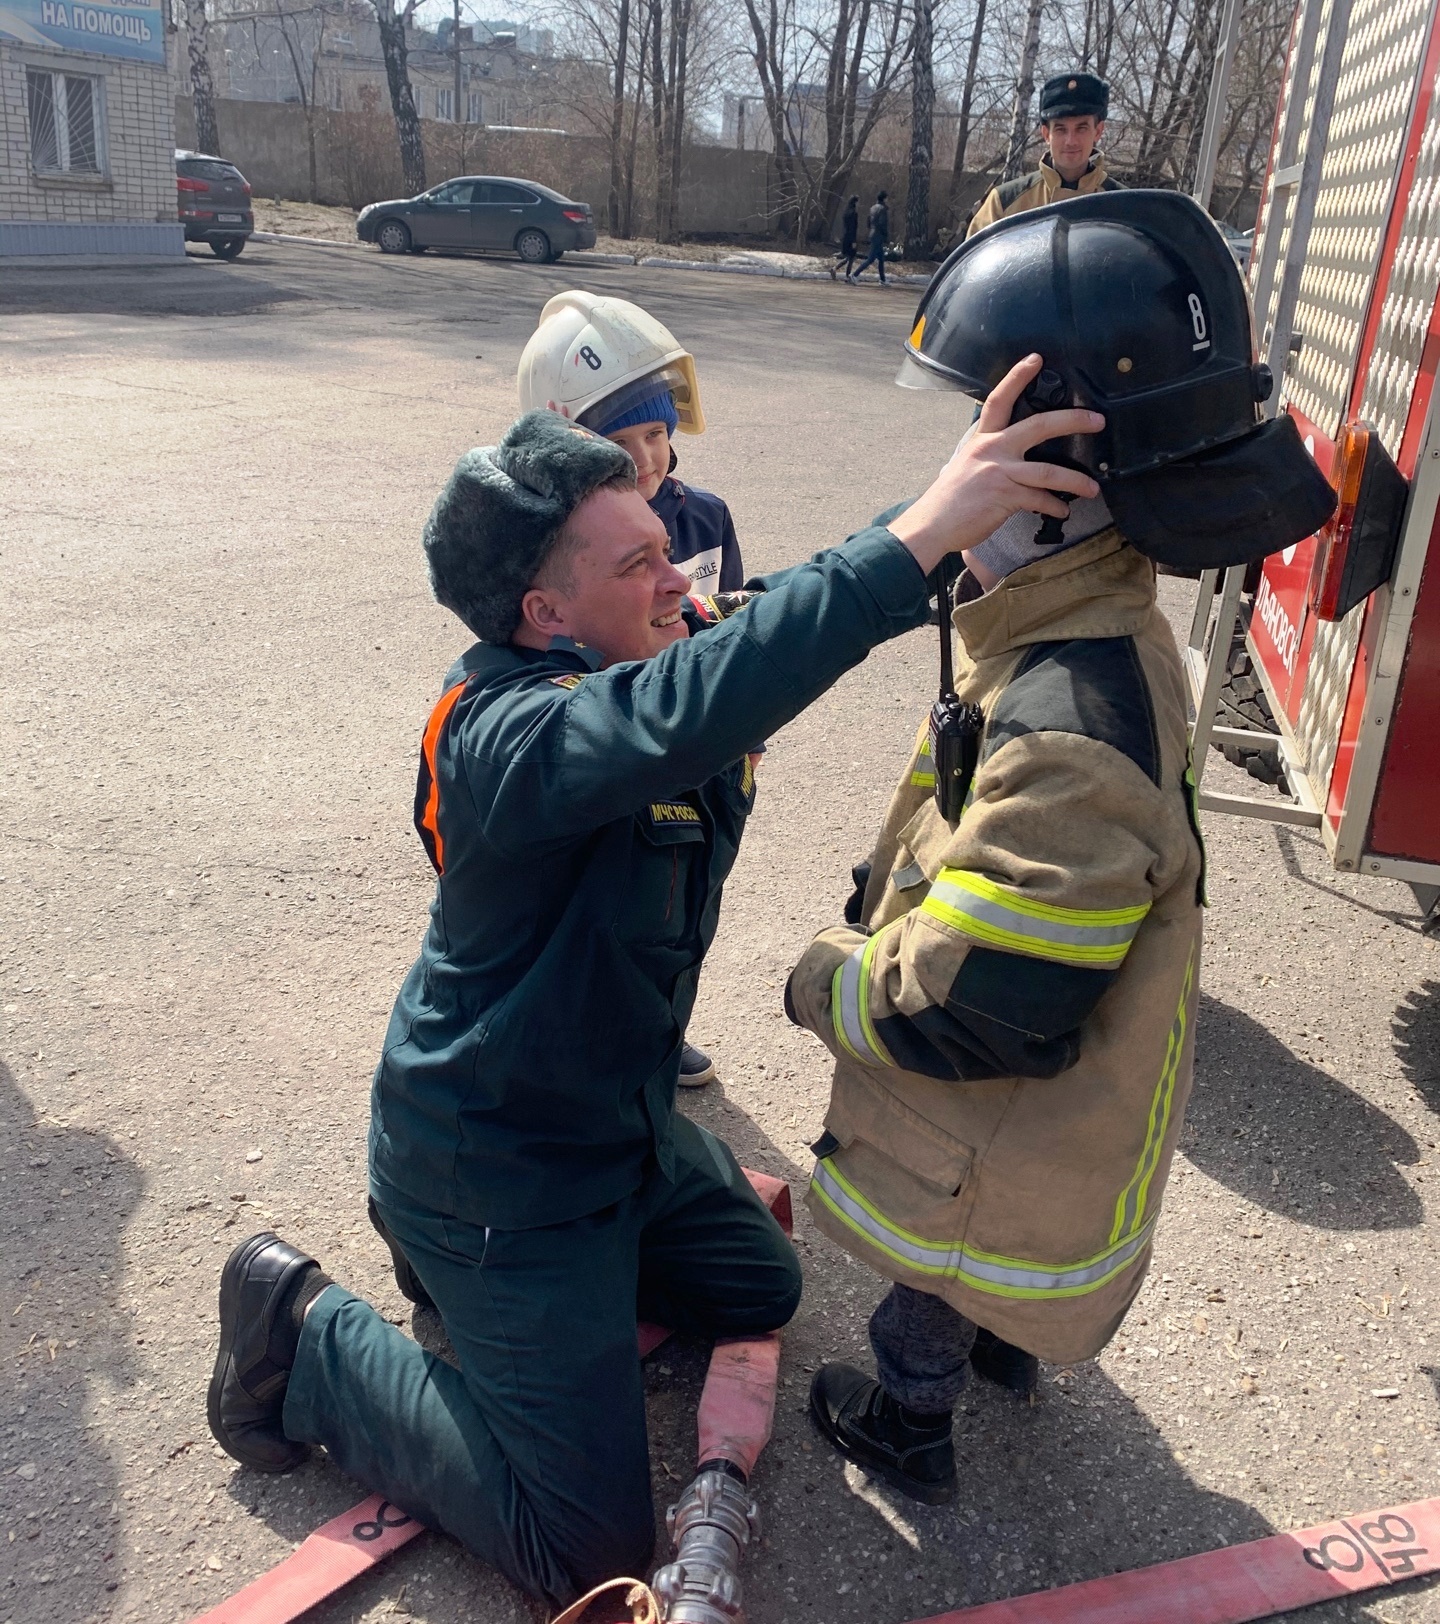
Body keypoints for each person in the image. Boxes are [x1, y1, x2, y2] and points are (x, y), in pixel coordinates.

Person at [206, 380, 1106, 1609]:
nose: (680, 577)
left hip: (616, 1134)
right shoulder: (504, 738)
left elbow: (764, 627)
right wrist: (911, 543)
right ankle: (301, 1332)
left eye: (669, 542)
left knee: (762, 1287)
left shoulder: (655, 657)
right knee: (586, 1549)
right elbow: (684, 709)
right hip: (499, 1170)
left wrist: (960, 505)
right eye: (639, 562)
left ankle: (496, 1297)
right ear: (546, 612)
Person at [788, 190, 1336, 1504]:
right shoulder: (1085, 631)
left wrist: (824, 981)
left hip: (998, 1131)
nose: (945, 488)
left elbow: (988, 1002)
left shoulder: (1067, 720)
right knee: (992, 1226)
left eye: (974, 454)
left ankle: (913, 1416)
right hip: (1032, 1123)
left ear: (1047, 491)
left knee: (946, 1258)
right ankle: (1001, 1346)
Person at [518, 290, 745, 1087]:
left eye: (656, 433)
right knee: (602, 907)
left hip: (697, 753)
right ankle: (579, 1044)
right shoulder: (550, 547)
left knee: (685, 904)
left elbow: (734, 630)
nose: (646, 459)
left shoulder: (705, 517)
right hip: (609, 761)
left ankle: (663, 1026)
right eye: (620, 441)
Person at [967, 72, 1122, 238]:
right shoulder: (1003, 203)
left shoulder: (1124, 205)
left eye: (1081, 129)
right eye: (1061, 129)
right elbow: (972, 261)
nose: (1071, 141)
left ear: (1098, 131)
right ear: (1046, 134)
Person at [849, 190, 890, 284]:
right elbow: (882, 223)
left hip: (872, 233)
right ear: (884, 198)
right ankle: (854, 275)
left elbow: (868, 221)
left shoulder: (873, 208)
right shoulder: (883, 209)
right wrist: (886, 235)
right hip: (878, 235)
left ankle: (883, 279)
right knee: (871, 258)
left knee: (881, 258)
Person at [831, 195, 860, 280]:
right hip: (851, 238)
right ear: (855, 202)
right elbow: (853, 228)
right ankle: (848, 276)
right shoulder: (854, 213)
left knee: (848, 257)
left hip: (845, 236)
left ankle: (834, 268)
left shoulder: (846, 212)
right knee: (851, 257)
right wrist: (854, 241)